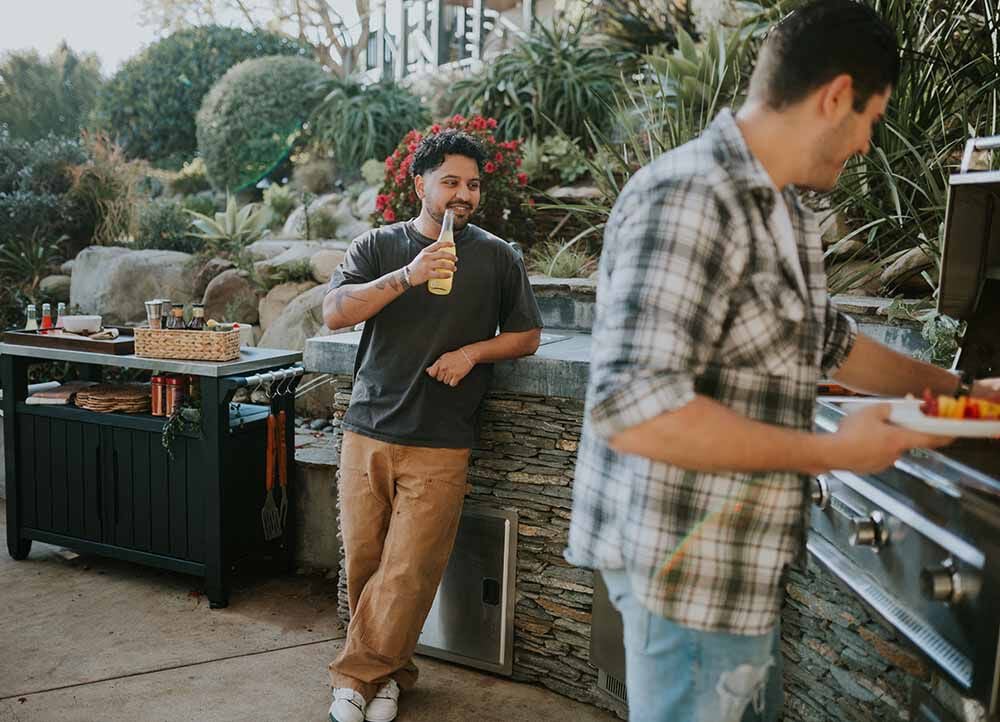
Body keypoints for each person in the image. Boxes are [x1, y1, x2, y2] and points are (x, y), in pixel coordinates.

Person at [565, 2, 1000, 721]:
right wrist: (829, 449)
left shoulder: (782, 207)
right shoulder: (691, 196)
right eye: (871, 118)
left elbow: (829, 341)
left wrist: (964, 391)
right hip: (683, 576)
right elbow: (635, 411)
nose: (866, 144)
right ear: (835, 96)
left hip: (736, 569)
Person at [323, 129, 543, 722]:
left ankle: (352, 679)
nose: (463, 195)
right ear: (419, 184)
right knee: (365, 566)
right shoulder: (378, 245)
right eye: (450, 182)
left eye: (472, 185)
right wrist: (408, 276)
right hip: (367, 429)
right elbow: (336, 311)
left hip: (441, 439)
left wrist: (472, 354)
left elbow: (527, 335)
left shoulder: (498, 257)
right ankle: (391, 676)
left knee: (409, 570)